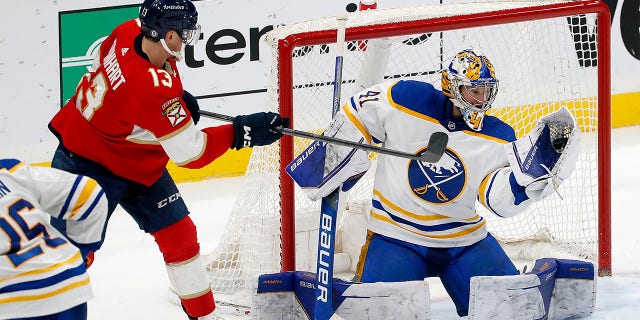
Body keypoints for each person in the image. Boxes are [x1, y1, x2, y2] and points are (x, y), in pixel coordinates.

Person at [288, 49, 580, 317]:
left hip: (464, 240)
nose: (481, 100)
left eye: (486, 92)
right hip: (396, 235)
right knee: (382, 314)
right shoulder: (405, 99)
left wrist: (524, 181)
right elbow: (359, 108)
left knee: (510, 311)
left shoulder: (498, 135)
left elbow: (498, 200)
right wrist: (334, 155)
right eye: (474, 91)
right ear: (452, 87)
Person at [47, 0, 287, 319]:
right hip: (84, 163)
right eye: (185, 32)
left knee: (180, 236)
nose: (189, 39)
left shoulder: (127, 32)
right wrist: (241, 131)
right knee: (69, 258)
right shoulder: (149, 88)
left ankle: (203, 314)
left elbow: (143, 91)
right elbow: (191, 153)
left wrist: (176, 102)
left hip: (134, 159)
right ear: (169, 35)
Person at [0, 158, 108, 320]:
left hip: (13, 299)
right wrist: (80, 252)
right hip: (67, 282)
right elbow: (90, 194)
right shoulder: (9, 171)